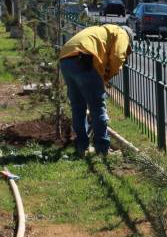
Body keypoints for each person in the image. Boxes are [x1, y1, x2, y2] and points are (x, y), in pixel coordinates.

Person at [57, 24, 133, 155]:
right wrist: (109, 76)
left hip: (65, 58)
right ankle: (103, 149)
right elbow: (117, 55)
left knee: (78, 107)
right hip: (84, 60)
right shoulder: (122, 33)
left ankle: (82, 147)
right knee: (97, 107)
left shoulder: (103, 31)